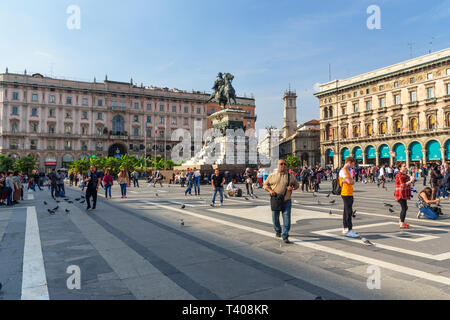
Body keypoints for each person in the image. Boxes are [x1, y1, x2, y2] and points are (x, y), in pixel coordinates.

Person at [264, 159, 299, 244]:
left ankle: (285, 235)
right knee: (275, 217)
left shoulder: (290, 176)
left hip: (286, 200)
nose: (283, 165)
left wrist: (292, 188)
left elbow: (297, 185)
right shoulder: (272, 175)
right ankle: (278, 230)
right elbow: (265, 185)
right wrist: (270, 191)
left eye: (284, 164)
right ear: (278, 165)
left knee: (286, 218)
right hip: (275, 199)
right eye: (281, 164)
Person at [339, 157, 359, 238]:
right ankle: (350, 230)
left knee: (346, 211)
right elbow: (350, 181)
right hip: (346, 193)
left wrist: (350, 181)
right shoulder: (344, 171)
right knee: (349, 212)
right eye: (353, 163)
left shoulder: (347, 171)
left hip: (348, 192)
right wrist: (350, 181)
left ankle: (345, 228)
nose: (353, 165)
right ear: (349, 162)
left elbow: (351, 181)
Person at [394, 163, 415, 229]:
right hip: (400, 194)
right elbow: (402, 185)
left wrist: (413, 173)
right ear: (400, 167)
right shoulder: (399, 175)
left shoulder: (404, 175)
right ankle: (401, 223)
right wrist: (410, 181)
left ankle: (401, 221)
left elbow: (413, 179)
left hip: (404, 193)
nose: (405, 167)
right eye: (404, 166)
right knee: (404, 208)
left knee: (405, 208)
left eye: (406, 166)